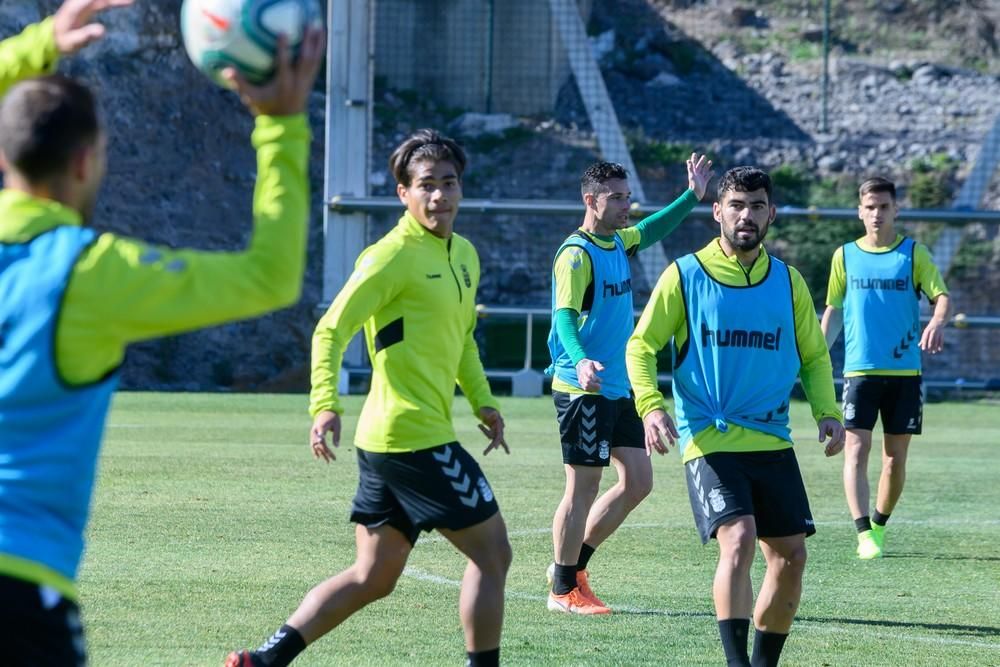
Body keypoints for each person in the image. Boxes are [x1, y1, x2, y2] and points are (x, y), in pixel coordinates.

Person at [0, 1, 325, 664]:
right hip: (20, 590)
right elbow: (270, 276)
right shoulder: (91, 274)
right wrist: (281, 125)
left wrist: (36, 44)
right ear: (88, 162)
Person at [225, 129, 512, 667]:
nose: (439, 196)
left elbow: (463, 339)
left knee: (373, 576)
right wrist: (324, 404)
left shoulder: (465, 255)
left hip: (389, 445)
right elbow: (330, 330)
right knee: (494, 555)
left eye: (449, 183)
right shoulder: (390, 255)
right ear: (403, 193)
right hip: (413, 439)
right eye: (426, 185)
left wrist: (482, 402)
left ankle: (264, 660)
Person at [626, 166, 845, 667]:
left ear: (771, 213)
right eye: (738, 205)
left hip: (771, 438)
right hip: (711, 435)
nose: (747, 215)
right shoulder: (684, 274)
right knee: (740, 537)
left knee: (791, 557)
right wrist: (651, 407)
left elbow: (812, 357)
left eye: (758, 206)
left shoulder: (788, 281)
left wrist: (827, 412)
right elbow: (641, 347)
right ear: (717, 211)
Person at [544, 156, 713, 614]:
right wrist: (580, 362)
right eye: (616, 197)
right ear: (590, 200)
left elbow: (653, 229)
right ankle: (563, 590)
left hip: (616, 388)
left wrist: (691, 197)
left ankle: (571, 566)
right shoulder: (576, 255)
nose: (626, 205)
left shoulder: (618, 242)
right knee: (581, 488)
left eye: (627, 196)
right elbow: (563, 318)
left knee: (638, 481)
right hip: (583, 389)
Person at [820, 177, 950, 560]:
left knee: (894, 460)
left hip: (905, 374)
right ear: (860, 211)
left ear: (896, 210)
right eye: (870, 207)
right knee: (856, 451)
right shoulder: (844, 256)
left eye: (884, 207)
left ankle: (878, 523)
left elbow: (941, 297)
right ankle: (863, 532)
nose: (877, 214)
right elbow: (834, 312)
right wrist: (814, 358)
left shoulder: (913, 254)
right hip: (859, 372)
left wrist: (937, 321)